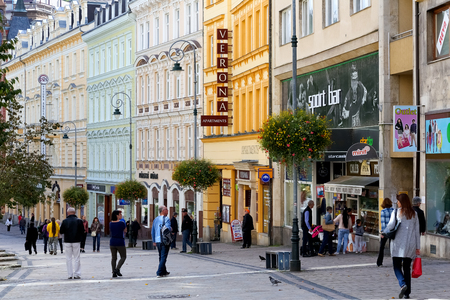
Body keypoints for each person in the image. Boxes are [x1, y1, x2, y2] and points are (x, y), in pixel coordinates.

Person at [384, 194, 420, 299]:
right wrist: (418, 247)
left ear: (401, 202)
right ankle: (407, 293)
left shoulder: (396, 212)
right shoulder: (414, 214)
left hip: (397, 245)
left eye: (398, 201)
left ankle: (402, 284)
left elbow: (390, 226)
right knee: (407, 268)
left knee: (396, 266)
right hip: (410, 245)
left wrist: (384, 231)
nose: (397, 203)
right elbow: (417, 232)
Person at [59, 207, 84, 279]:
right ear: (75, 212)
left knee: (68, 258)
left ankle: (70, 274)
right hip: (76, 240)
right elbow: (82, 231)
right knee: (77, 257)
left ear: (68, 213)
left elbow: (61, 231)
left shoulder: (65, 221)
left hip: (67, 241)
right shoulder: (79, 221)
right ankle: (77, 274)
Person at [151, 205, 171, 278]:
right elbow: (167, 228)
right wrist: (170, 229)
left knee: (161, 256)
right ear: (163, 211)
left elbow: (152, 231)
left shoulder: (155, 219)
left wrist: (154, 240)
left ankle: (163, 271)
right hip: (164, 240)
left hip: (157, 240)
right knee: (163, 256)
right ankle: (159, 272)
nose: (167, 210)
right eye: (166, 209)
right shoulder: (166, 219)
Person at [110, 210, 127, 278]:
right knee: (123, 256)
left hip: (112, 241)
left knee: (114, 258)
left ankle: (113, 272)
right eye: (120, 214)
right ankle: (117, 269)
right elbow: (125, 230)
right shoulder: (121, 223)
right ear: (117, 215)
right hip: (120, 241)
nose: (121, 215)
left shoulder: (110, 223)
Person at [377, 198, 394, 267]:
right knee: (392, 247)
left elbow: (383, 223)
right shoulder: (393, 210)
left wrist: (382, 232)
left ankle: (379, 262)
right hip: (392, 231)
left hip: (386, 231)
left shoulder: (383, 211)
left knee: (382, 247)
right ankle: (395, 261)